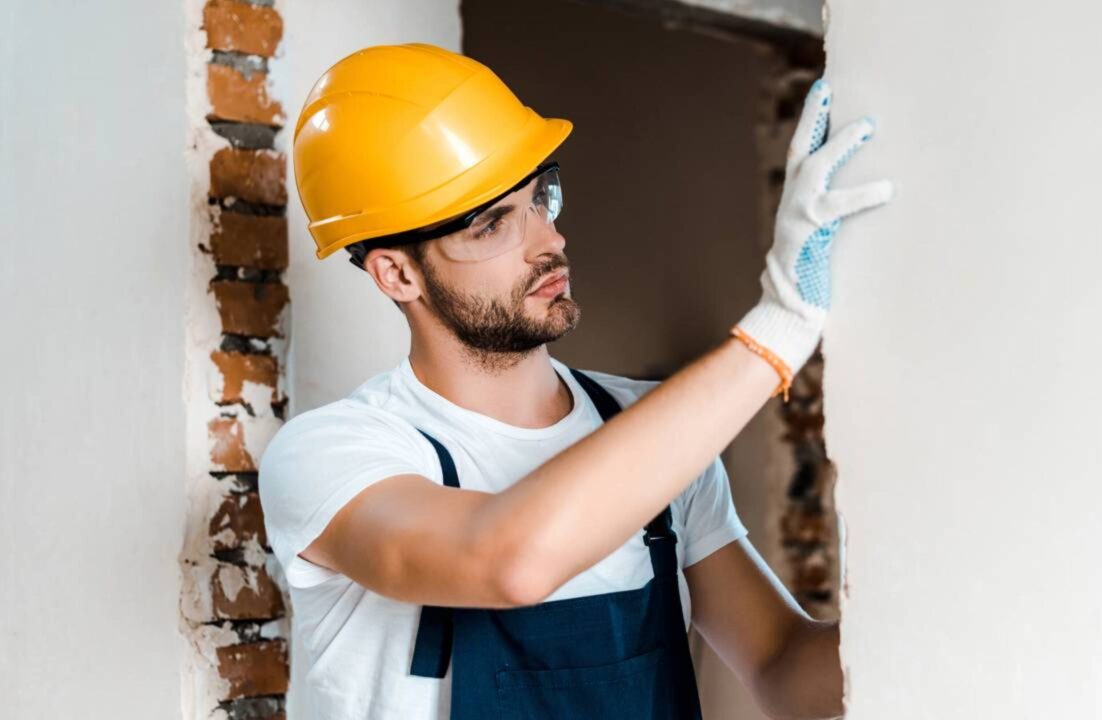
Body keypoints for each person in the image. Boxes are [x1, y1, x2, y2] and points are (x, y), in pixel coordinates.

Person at [259, 42, 893, 720]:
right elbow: (507, 563)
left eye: (539, 199)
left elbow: (781, 667)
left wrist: (951, 590)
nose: (549, 241)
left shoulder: (648, 430)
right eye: (492, 225)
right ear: (398, 274)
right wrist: (779, 328)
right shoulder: (335, 455)